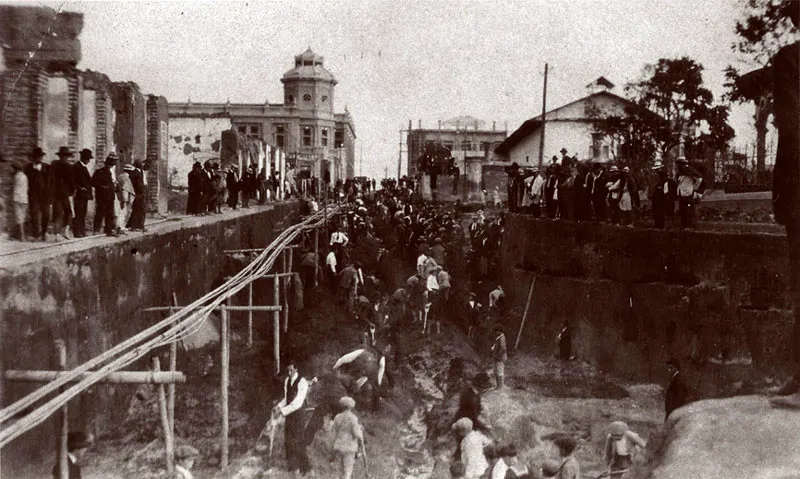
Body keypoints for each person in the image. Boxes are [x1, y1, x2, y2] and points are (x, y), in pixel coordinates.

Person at [274, 362, 312, 476]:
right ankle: (293, 468)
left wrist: (283, 411)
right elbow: (287, 399)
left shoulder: (302, 382)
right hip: (290, 414)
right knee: (288, 440)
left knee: (298, 441)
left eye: (292, 370)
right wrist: (278, 406)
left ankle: (307, 468)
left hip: (299, 414)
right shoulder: (287, 380)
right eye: (288, 371)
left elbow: (298, 402)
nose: (290, 373)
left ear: (297, 368)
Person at [330, 396, 364, 479]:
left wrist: (332, 444)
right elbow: (357, 434)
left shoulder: (337, 417)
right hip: (349, 447)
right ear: (351, 406)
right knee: (347, 471)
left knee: (337, 470)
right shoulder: (353, 418)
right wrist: (360, 431)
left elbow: (333, 433)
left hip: (338, 446)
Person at [24, 146, 53, 241]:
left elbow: (51, 182)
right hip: (33, 195)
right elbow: (26, 181)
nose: (39, 158)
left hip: (45, 195)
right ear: (33, 158)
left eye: (41, 157)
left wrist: (50, 196)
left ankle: (44, 233)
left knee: (46, 215)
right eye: (37, 157)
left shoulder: (47, 167)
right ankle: (36, 235)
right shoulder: (28, 168)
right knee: (34, 215)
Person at [52, 146, 76, 239]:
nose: (65, 158)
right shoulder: (68, 166)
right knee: (69, 212)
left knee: (58, 213)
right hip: (66, 193)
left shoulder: (54, 165)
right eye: (65, 156)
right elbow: (71, 181)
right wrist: (73, 190)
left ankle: (57, 234)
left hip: (56, 193)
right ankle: (66, 230)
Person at [92, 153, 118, 236]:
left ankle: (108, 230)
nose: (110, 166)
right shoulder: (99, 172)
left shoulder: (112, 173)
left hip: (110, 196)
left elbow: (112, 184)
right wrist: (102, 186)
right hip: (102, 197)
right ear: (106, 164)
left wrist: (114, 187)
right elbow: (93, 182)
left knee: (109, 214)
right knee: (100, 213)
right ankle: (96, 230)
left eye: (111, 165)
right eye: (109, 165)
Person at [675, 159, 704, 229]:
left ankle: (690, 225)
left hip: (688, 194)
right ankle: (683, 225)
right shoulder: (680, 173)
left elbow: (699, 179)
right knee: (682, 210)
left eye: (680, 164)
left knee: (689, 210)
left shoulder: (689, 171)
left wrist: (694, 187)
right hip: (682, 194)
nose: (679, 166)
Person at [72, 149, 93, 238]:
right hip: (79, 194)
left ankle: (82, 231)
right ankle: (77, 232)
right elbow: (73, 181)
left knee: (83, 213)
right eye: (88, 159)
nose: (88, 161)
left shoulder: (83, 167)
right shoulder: (76, 167)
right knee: (78, 213)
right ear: (84, 158)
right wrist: (80, 188)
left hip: (84, 195)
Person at [650, 162, 676, 229]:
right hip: (656, 198)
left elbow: (670, 191)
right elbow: (652, 187)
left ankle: (664, 226)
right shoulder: (654, 178)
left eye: (658, 169)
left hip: (664, 199)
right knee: (657, 212)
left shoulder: (668, 181)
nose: (657, 171)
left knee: (665, 213)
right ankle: (658, 225)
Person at [127, 160, 147, 231]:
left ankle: (136, 226)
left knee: (138, 210)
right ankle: (138, 226)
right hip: (139, 194)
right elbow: (139, 185)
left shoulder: (139, 172)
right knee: (140, 209)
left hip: (138, 194)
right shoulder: (136, 173)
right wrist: (142, 192)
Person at [11, 162, 28, 241]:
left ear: (16, 169)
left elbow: (15, 188)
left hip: (17, 199)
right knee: (22, 217)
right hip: (24, 199)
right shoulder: (25, 176)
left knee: (19, 217)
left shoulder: (16, 177)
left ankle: (22, 236)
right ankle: (21, 235)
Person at [117, 164, 136, 233]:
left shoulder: (120, 176)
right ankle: (121, 227)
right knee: (124, 212)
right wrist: (126, 199)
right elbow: (126, 189)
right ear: (129, 171)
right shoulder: (126, 178)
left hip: (121, 196)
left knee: (121, 212)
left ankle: (121, 226)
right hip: (125, 197)